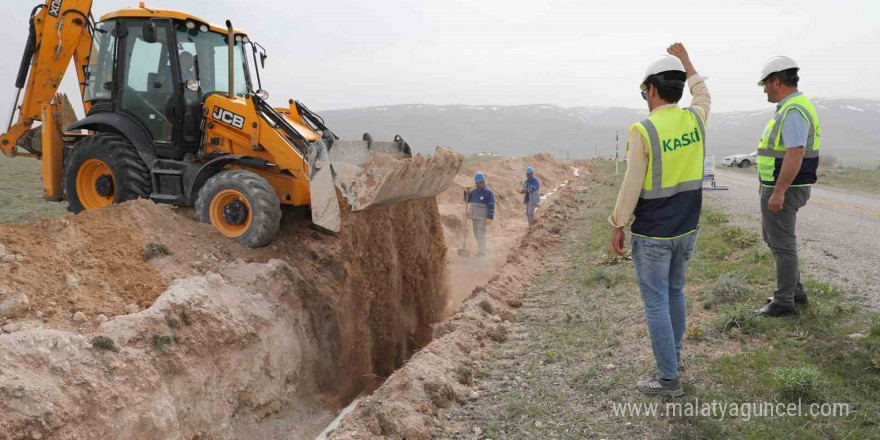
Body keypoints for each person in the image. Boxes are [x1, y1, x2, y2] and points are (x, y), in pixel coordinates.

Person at [608, 43, 710, 397]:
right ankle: (674, 359)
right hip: (687, 229)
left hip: (653, 235)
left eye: (643, 91)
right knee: (675, 292)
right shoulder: (696, 118)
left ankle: (668, 378)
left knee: (656, 303)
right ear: (678, 89)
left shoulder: (644, 130)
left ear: (652, 89)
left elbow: (631, 184)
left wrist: (619, 223)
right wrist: (685, 61)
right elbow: (703, 92)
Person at [755, 56, 820, 317]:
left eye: (765, 84)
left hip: (785, 188)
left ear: (777, 81)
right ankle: (795, 291)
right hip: (779, 186)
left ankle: (784, 303)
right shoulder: (791, 107)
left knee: (782, 244)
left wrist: (779, 191)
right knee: (774, 239)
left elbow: (795, 152)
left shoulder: (793, 110)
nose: (764, 90)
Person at [466, 172, 495, 256]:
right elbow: (467, 200)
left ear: (483, 182)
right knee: (476, 234)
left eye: (480, 182)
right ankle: (480, 249)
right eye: (477, 183)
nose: (479, 184)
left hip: (482, 217)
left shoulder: (488, 192)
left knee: (480, 234)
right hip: (474, 216)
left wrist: (490, 217)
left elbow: (491, 206)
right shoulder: (473, 191)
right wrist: (467, 192)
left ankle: (482, 252)